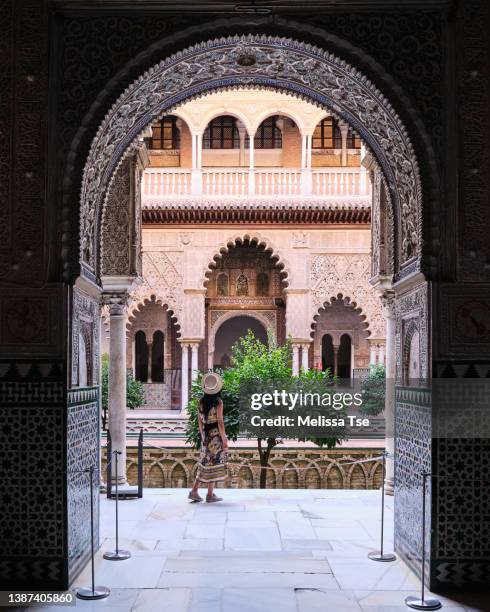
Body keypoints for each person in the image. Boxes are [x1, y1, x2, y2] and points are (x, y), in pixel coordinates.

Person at [188, 372, 228, 503]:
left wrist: (202, 434)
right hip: (215, 436)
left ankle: (207, 493)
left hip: (206, 436)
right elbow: (220, 422)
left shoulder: (200, 401)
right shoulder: (218, 402)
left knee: (206, 463)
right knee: (213, 463)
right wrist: (224, 439)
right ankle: (199, 492)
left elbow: (199, 420)